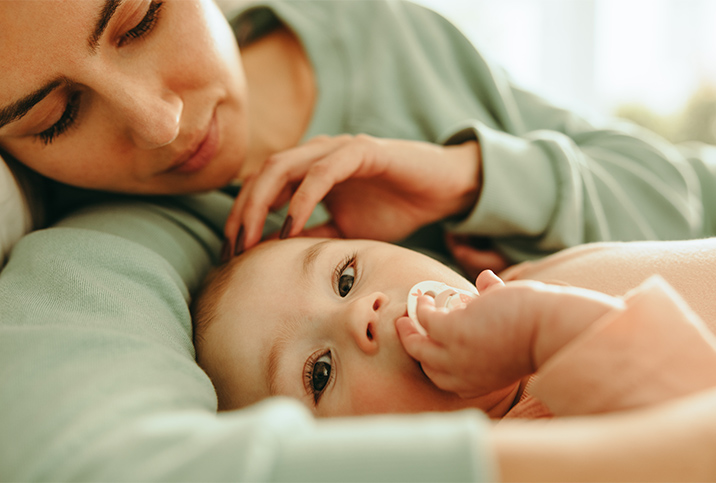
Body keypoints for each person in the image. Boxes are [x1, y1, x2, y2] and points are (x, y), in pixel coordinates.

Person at [1, 0, 716, 480]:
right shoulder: (111, 257)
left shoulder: (371, 27)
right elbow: (89, 458)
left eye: (139, 20)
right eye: (56, 116)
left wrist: (474, 177)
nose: (161, 121)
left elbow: (689, 193)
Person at [192, 236, 716, 419]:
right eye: (319, 374)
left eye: (346, 278)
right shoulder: (532, 456)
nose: (360, 313)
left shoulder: (522, 273)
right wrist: (544, 329)